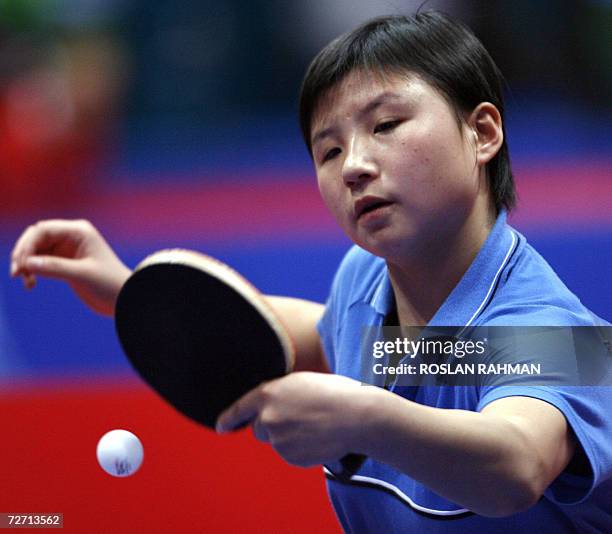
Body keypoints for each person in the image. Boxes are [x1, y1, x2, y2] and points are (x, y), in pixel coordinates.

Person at [10, 11, 611, 532]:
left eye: (385, 125)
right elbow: (306, 329)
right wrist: (129, 289)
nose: (353, 165)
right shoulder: (367, 281)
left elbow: (516, 465)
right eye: (328, 150)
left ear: (482, 132)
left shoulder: (549, 329)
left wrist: (364, 417)